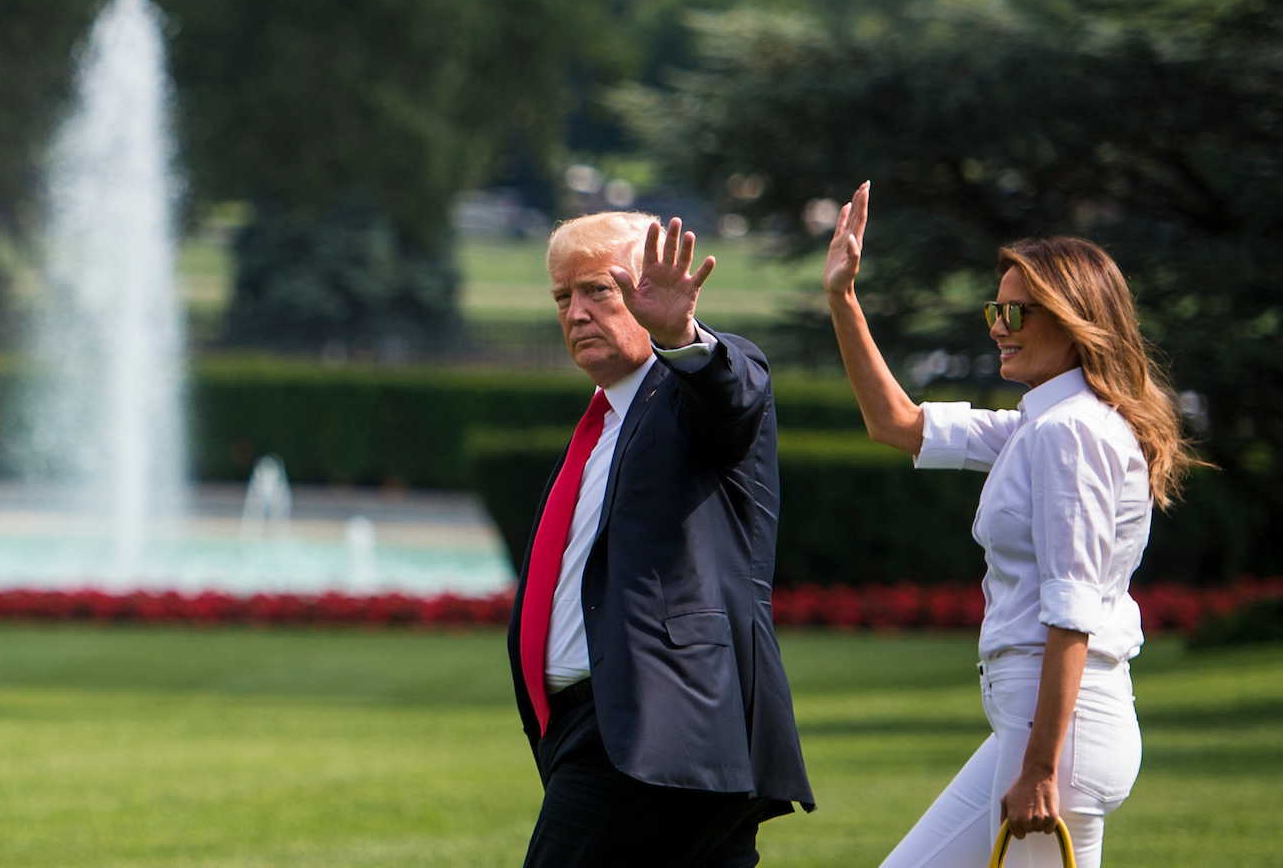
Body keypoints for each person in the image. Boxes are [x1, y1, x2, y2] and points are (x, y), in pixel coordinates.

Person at [822, 183, 1193, 867]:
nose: (998, 326)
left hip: (1057, 740)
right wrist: (843, 300)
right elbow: (897, 424)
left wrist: (1044, 769)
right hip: (1042, 730)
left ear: (1072, 317)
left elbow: (1072, 609)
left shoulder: (1070, 432)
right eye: (996, 308)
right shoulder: (1042, 422)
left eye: (1018, 312)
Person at [508, 211, 813, 868]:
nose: (577, 313)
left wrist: (677, 333)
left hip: (651, 728)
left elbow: (730, 393)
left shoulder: (689, 386)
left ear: (651, 290)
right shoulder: (601, 425)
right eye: (564, 297)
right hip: (632, 733)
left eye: (598, 291)